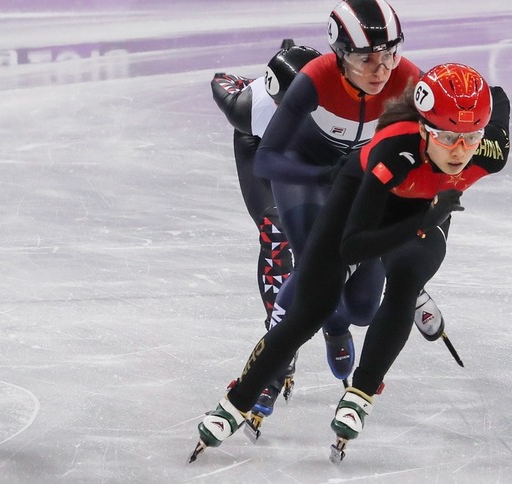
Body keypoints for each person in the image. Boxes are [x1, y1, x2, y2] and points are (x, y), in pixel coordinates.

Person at [191, 63, 509, 462]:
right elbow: (354, 246)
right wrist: (420, 218)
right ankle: (237, 401)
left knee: (404, 278)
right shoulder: (389, 155)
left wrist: (467, 102)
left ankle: (362, 391)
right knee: (314, 308)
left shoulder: (489, 150)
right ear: (425, 129)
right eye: (448, 137)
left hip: (422, 212)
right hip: (364, 204)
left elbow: (496, 99)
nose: (462, 150)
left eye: (470, 138)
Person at [252, 0, 442, 386]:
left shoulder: (407, 79)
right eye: (366, 59)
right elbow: (267, 160)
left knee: (364, 308)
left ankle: (347, 316)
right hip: (307, 173)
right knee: (319, 277)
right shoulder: (316, 77)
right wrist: (325, 175)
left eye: (390, 53)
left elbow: (436, 143)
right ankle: (332, 328)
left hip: (361, 177)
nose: (382, 69)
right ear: (339, 55)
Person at [210, 41, 321, 410]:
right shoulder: (249, 108)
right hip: (258, 147)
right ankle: (278, 346)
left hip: (316, 149)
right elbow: (220, 80)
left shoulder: (344, 108)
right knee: (276, 231)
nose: (281, 111)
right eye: (277, 104)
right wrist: (252, 84)